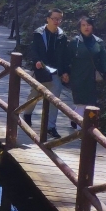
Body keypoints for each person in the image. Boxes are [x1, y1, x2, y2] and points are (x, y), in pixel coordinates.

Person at [63, 16, 106, 128]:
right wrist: (65, 72)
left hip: (92, 78)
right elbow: (67, 59)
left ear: (92, 26)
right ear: (80, 27)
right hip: (78, 76)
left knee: (91, 104)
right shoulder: (74, 42)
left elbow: (104, 59)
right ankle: (81, 130)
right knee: (81, 103)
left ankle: (77, 120)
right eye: (83, 25)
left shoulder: (98, 42)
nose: (86, 27)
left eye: (88, 25)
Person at [23, 8, 69, 138]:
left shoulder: (62, 36)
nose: (57, 21)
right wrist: (37, 60)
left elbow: (64, 56)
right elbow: (34, 50)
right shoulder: (39, 33)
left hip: (55, 72)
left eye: (59, 19)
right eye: (54, 18)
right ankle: (27, 114)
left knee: (55, 100)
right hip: (41, 70)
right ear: (47, 19)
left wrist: (65, 71)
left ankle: (50, 127)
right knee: (34, 94)